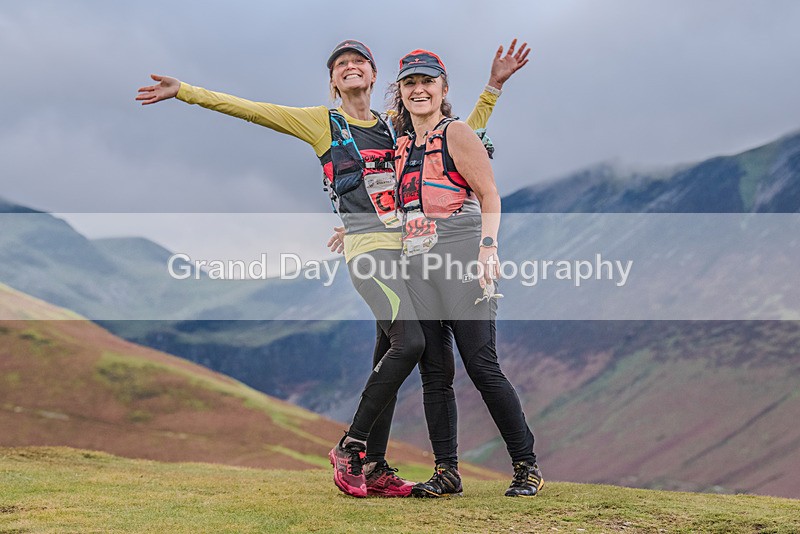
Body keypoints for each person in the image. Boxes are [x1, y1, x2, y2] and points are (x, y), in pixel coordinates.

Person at [136, 39, 529, 498]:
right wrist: (185, 91)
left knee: (400, 355)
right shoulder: (323, 122)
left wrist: (492, 89)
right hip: (377, 256)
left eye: (359, 61)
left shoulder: (394, 127)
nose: (350, 67)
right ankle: (360, 449)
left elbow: (456, 142)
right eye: (340, 64)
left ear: (376, 75)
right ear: (333, 81)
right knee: (414, 350)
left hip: (413, 256)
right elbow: (253, 110)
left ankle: (378, 465)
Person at [390, 49, 544, 497]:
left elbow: (490, 194)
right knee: (434, 373)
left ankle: (527, 467)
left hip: (463, 255)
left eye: (427, 82)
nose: (419, 89)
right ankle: (447, 472)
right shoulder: (401, 145)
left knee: (481, 365)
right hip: (417, 264)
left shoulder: (456, 133)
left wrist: (488, 248)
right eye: (410, 83)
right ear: (400, 92)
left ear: (443, 88)